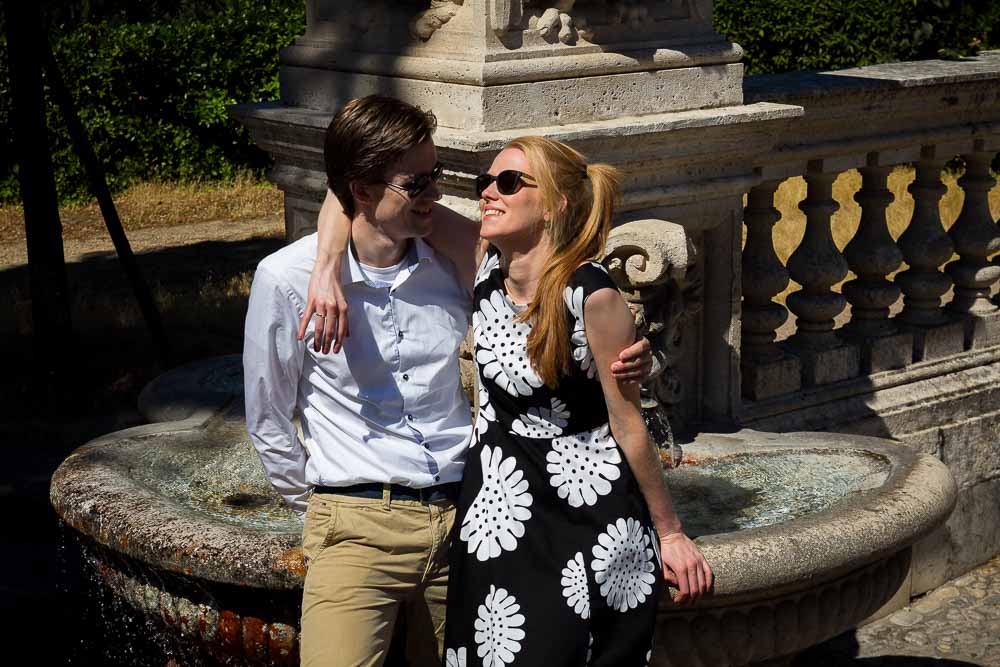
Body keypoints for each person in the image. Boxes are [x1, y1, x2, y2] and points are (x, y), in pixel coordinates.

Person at [243, 95, 652, 667]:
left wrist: (627, 350)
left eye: (435, 177)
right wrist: (319, 508)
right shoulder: (286, 280)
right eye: (418, 185)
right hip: (356, 527)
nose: (437, 195)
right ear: (362, 190)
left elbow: (555, 313)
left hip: (468, 520)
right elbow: (267, 420)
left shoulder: (460, 260)